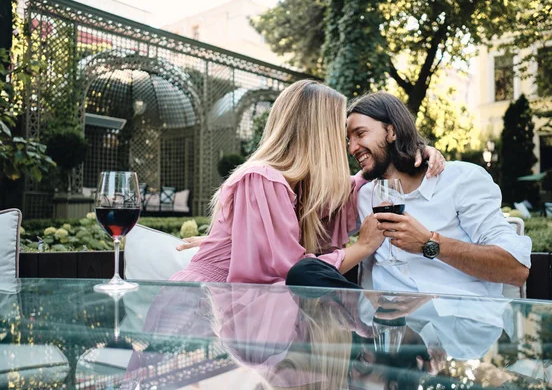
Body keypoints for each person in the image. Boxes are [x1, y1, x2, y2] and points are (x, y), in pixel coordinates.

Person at [171, 81, 444, 284]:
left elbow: (367, 179)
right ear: (318, 132)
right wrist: (362, 247)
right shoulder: (262, 179)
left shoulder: (302, 188)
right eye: (341, 132)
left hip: (241, 315)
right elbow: (289, 275)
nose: (347, 145)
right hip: (203, 308)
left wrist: (413, 151)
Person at [287, 92, 531, 298]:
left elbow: (515, 270)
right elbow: (309, 235)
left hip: (459, 333)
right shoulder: (364, 196)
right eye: (348, 140)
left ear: (392, 131)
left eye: (360, 134)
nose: (351, 148)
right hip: (388, 334)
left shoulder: (461, 180)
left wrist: (430, 244)